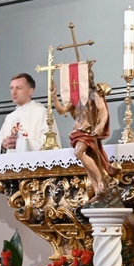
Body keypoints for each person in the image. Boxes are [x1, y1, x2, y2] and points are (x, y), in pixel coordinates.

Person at [51, 64, 120, 206]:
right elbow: (62, 110)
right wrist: (54, 96)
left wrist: (100, 125)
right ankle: (97, 190)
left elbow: (103, 111)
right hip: (77, 130)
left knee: (79, 153)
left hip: (88, 130)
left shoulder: (94, 94)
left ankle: (101, 179)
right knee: (85, 162)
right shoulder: (76, 98)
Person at [0, 73, 59, 154]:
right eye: (11, 88)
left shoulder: (41, 113)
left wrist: (20, 143)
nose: (14, 92)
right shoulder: (10, 117)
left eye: (18, 88)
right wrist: (3, 145)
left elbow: (49, 145)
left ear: (30, 91)